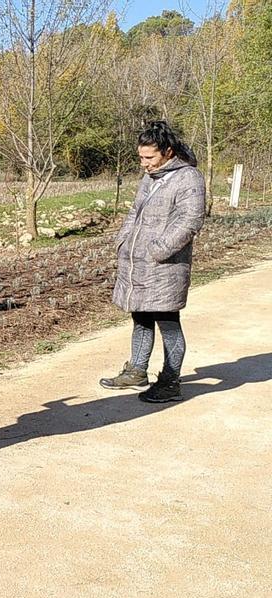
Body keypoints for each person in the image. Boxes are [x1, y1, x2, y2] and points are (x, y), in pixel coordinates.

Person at [100, 121, 206, 403]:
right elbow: (134, 212)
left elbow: (191, 220)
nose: (144, 163)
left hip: (165, 266)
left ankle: (171, 381)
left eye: (149, 157)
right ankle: (136, 370)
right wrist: (123, 240)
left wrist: (159, 250)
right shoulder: (151, 177)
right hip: (138, 263)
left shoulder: (189, 178)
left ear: (168, 152)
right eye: (141, 157)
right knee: (141, 316)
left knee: (168, 321)